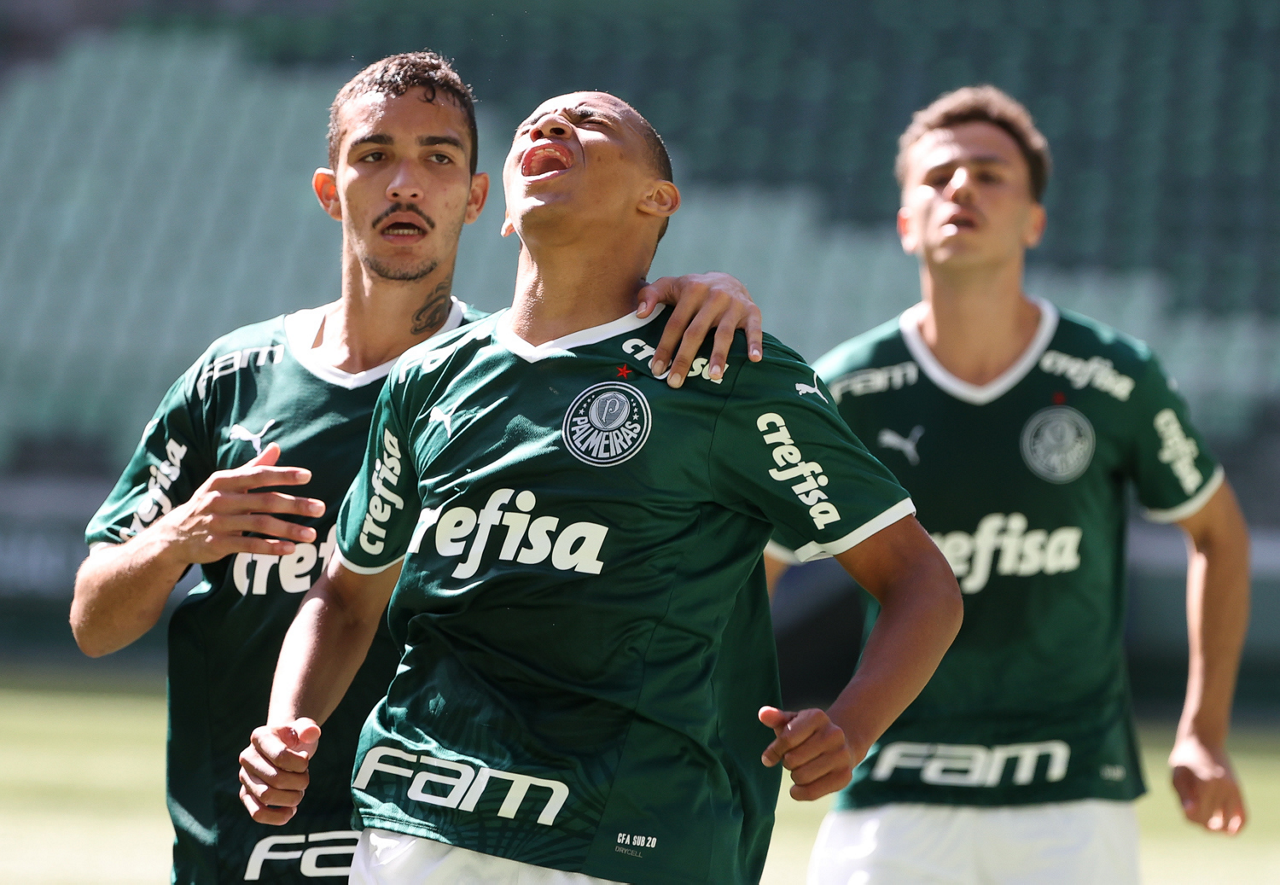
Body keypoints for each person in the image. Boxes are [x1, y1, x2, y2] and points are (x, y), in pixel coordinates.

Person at [70, 52, 770, 884]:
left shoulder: (527, 391)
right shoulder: (230, 380)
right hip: (244, 842)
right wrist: (180, 536)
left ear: (478, 197)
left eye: (438, 158)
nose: (406, 184)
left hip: (448, 843)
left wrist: (705, 295)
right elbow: (94, 621)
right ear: (331, 190)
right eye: (374, 156)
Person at [236, 90, 963, 885]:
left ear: (658, 200)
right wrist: (285, 723)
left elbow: (920, 581)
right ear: (505, 210)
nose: (550, 125)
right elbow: (346, 595)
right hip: (413, 826)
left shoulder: (727, 372)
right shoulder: (426, 380)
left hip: (627, 844)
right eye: (532, 125)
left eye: (590, 122)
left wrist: (852, 725)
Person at [765, 85, 1252, 884]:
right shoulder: (845, 389)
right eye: (938, 177)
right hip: (890, 785)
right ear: (904, 223)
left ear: (1034, 221)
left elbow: (1219, 534)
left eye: (990, 174)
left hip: (1074, 795)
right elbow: (754, 566)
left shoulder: (1113, 378)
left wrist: (1202, 728)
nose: (961, 186)